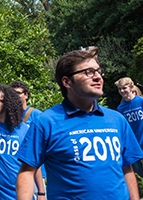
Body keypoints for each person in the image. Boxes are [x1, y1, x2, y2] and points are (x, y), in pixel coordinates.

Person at [16, 47, 143, 200]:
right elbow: (27, 172)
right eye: (88, 72)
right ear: (67, 81)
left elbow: (126, 168)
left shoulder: (117, 119)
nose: (97, 77)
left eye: (98, 71)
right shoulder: (46, 121)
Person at [10, 81, 47, 199]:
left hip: (35, 172)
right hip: (16, 170)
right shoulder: (10, 117)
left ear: (26, 95)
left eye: (17, 93)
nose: (14, 97)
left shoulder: (37, 115)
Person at [115, 77, 143, 177]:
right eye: (119, 89)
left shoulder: (141, 101)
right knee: (139, 173)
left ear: (131, 88)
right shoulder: (121, 108)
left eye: (124, 88)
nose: (122, 91)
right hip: (134, 144)